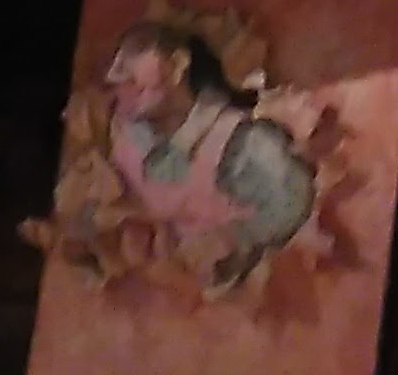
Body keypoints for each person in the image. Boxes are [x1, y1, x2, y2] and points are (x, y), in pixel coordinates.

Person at [102, 17, 315, 284]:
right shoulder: (124, 138)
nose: (115, 74)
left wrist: (233, 236)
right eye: (118, 62)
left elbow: (293, 200)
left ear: (178, 64)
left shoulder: (240, 140)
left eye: (136, 52)